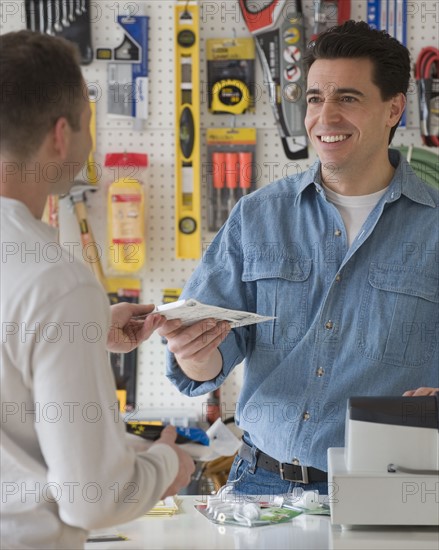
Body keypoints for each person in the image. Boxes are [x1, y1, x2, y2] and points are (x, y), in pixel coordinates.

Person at [159, 21, 439, 496]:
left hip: (392, 491)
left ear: (393, 108)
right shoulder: (257, 215)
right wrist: (194, 354)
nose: (324, 117)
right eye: (313, 98)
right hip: (260, 486)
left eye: (347, 98)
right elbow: (209, 358)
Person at [0, 31, 194, 549]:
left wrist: (78, 334)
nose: (93, 141)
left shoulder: (50, 291)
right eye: (90, 124)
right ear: (61, 136)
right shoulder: (54, 280)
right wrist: (167, 465)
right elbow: (93, 497)